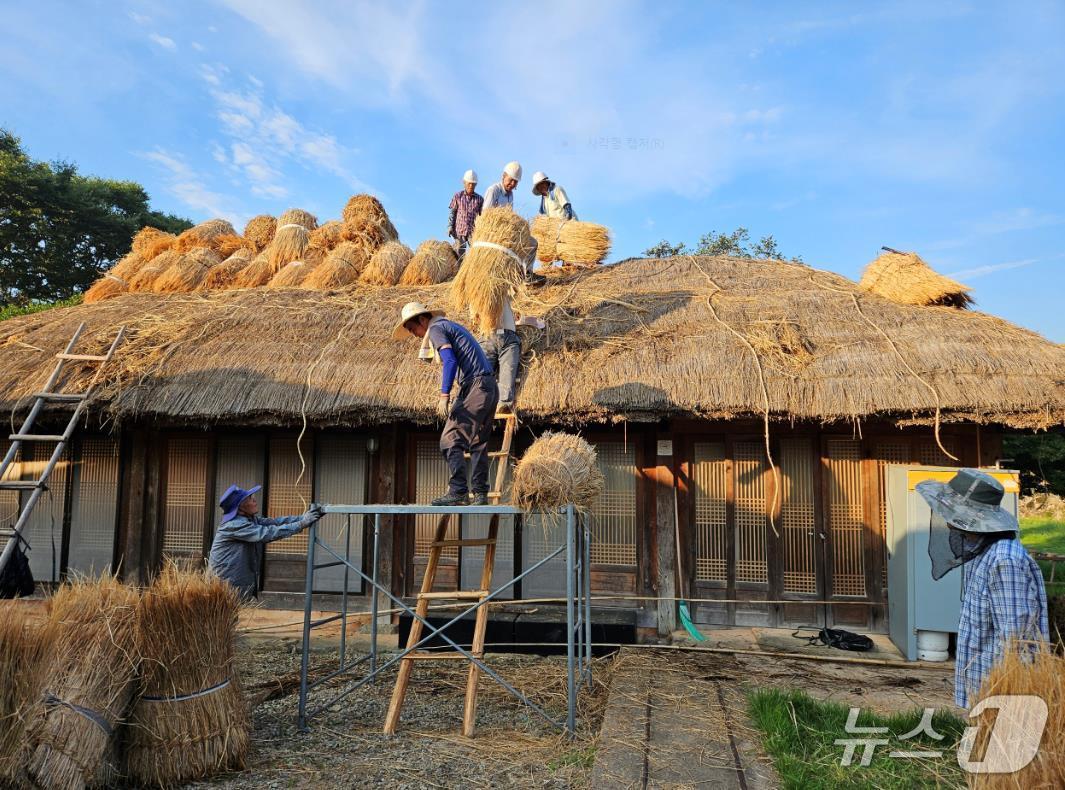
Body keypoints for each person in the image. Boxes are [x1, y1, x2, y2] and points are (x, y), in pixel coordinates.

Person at [916, 468, 1048, 708]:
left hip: (1001, 689)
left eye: (953, 513)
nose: (948, 521)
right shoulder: (982, 552)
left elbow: (1016, 639)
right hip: (983, 683)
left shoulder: (1005, 560)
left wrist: (1006, 695)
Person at [393, 302, 499, 506]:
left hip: (475, 386)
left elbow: (449, 360)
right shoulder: (451, 326)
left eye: (413, 328)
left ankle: (458, 490)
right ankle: (480, 494)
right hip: (489, 387)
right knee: (478, 443)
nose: (414, 334)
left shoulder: (435, 328)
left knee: (449, 440)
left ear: (423, 319)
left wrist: (444, 396)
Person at [208, 484, 324, 601]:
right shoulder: (234, 525)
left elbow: (274, 523)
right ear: (240, 508)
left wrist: (303, 517)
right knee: (225, 615)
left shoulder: (249, 519)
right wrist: (302, 523)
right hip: (224, 583)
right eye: (249, 498)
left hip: (235, 580)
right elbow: (268, 533)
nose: (254, 500)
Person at [448, 169, 482, 260]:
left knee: (475, 255)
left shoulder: (479, 199)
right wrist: (450, 227)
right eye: (469, 183)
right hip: (459, 232)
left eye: (473, 184)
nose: (471, 186)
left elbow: (481, 216)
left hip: (473, 233)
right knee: (459, 257)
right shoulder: (458, 196)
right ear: (464, 183)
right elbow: (452, 213)